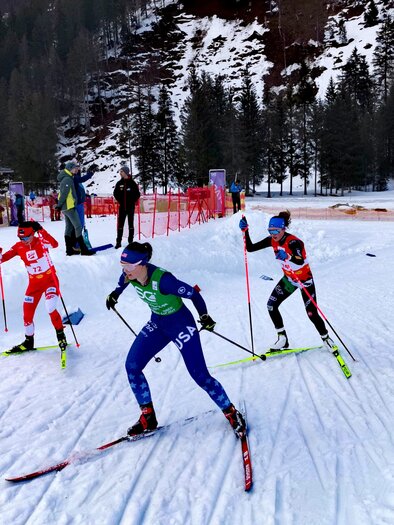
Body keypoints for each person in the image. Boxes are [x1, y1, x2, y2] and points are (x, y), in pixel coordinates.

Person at [106, 241, 246, 438]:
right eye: (123, 266)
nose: (125, 271)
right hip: (158, 323)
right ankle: (148, 417)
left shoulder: (164, 280)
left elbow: (193, 294)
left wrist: (204, 317)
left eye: (129, 266)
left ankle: (231, 412)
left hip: (180, 324)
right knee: (132, 366)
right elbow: (122, 282)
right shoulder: (131, 275)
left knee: (199, 374)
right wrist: (114, 294)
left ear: (142, 263)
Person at [239, 210, 334, 350]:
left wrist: (288, 257)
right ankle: (282, 338)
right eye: (270, 231)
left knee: (311, 313)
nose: (273, 234)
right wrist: (245, 231)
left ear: (283, 228)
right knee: (271, 305)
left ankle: (326, 339)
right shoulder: (272, 240)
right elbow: (251, 248)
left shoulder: (294, 242)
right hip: (289, 280)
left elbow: (300, 260)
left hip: (304, 281)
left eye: (276, 230)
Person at [0, 221, 67, 352]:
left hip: (49, 281)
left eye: (26, 237)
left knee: (50, 307)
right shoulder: (19, 246)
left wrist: (41, 230)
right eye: (21, 238)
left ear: (33, 233)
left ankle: (61, 337)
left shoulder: (41, 241)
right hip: (34, 284)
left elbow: (55, 244)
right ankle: (28, 342)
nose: (23, 240)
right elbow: (4, 258)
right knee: (27, 314)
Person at [56, 158, 94, 256]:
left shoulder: (69, 177)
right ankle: (83, 249)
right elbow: (64, 194)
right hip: (68, 207)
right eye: (74, 168)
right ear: (70, 169)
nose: (76, 170)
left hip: (67, 206)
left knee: (69, 228)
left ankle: (69, 250)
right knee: (77, 226)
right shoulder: (68, 179)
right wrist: (59, 205)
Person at [113, 166, 140, 249]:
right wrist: (120, 200)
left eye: (121, 171)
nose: (120, 173)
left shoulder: (132, 183)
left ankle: (130, 241)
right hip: (122, 207)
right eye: (120, 171)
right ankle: (118, 242)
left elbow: (137, 194)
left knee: (130, 224)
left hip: (130, 207)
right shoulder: (119, 183)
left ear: (125, 172)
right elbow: (115, 193)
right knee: (120, 225)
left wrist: (132, 201)